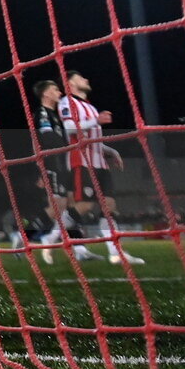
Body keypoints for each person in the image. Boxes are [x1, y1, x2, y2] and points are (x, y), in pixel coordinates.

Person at [57, 70, 145, 265]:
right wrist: (96, 121)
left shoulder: (90, 107)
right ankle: (53, 235)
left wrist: (110, 151)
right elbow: (70, 129)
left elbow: (92, 138)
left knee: (109, 205)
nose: (86, 79)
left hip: (99, 163)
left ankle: (116, 253)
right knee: (84, 206)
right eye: (80, 77)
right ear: (69, 84)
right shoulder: (67, 102)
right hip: (81, 161)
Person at [30, 80, 102, 264]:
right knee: (58, 208)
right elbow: (45, 137)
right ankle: (23, 235)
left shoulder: (54, 115)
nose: (59, 92)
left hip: (64, 163)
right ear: (46, 94)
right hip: (53, 164)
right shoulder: (42, 113)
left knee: (70, 206)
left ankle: (79, 249)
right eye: (55, 89)